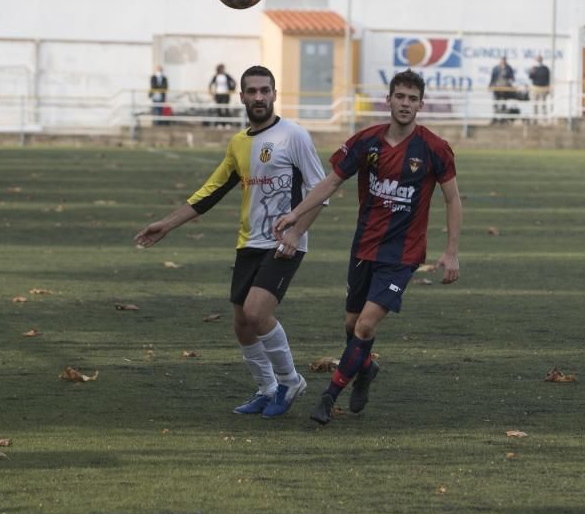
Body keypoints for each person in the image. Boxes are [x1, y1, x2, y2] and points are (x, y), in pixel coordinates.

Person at [134, 65, 328, 419]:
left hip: (284, 242)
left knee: (257, 313)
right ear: (241, 97)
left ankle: (290, 380)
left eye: (264, 90)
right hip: (248, 242)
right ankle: (266, 387)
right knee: (241, 322)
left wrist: (297, 231)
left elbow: (320, 191)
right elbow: (210, 192)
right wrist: (167, 224)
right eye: (251, 91)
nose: (258, 97)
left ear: (273, 94)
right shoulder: (239, 143)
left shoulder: (294, 136)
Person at [273, 69, 462, 426]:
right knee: (351, 326)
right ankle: (366, 368)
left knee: (364, 327)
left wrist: (450, 251)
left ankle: (328, 398)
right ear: (388, 100)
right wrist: (295, 215)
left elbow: (453, 199)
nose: (405, 104)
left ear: (421, 104)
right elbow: (330, 183)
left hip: (403, 256)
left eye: (412, 98)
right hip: (364, 248)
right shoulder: (366, 142)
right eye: (400, 96)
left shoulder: (434, 149)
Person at [489, 57, 515, 124]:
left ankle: (503, 119)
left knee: (503, 104)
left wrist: (509, 82)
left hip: (504, 90)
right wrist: (490, 86)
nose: (503, 61)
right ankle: (495, 118)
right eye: (502, 60)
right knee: (496, 104)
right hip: (496, 89)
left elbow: (512, 78)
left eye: (504, 60)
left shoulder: (509, 68)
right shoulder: (496, 68)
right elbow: (492, 78)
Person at [528, 54, 551, 120]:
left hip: (543, 88)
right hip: (535, 88)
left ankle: (544, 119)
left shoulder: (545, 68)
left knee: (543, 105)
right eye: (537, 59)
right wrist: (532, 71)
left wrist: (548, 89)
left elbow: (548, 79)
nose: (538, 60)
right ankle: (535, 119)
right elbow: (530, 77)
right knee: (535, 105)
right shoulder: (534, 68)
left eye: (540, 59)